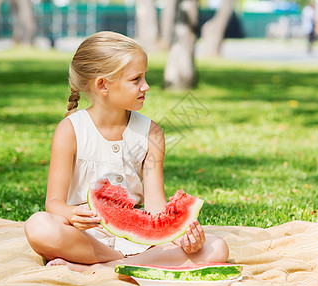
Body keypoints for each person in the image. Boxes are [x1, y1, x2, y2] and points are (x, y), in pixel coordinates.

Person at [24, 31, 229, 272]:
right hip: (85, 236)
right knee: (39, 225)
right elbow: (54, 203)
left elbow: (155, 207)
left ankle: (101, 267)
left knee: (216, 247)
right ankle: (118, 263)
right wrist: (71, 212)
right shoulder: (70, 130)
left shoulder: (151, 133)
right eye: (136, 79)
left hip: (139, 242)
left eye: (145, 77)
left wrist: (183, 237)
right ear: (103, 85)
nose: (146, 86)